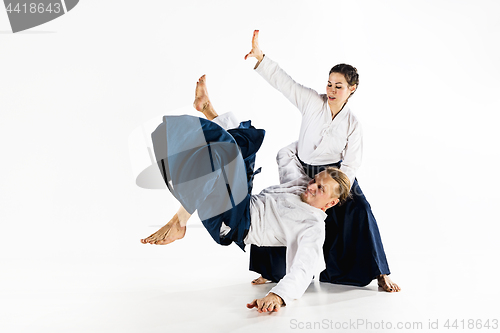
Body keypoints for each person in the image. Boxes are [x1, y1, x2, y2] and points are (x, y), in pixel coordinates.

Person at [140, 75, 352, 312]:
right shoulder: (299, 186)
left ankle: (179, 222)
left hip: (233, 222)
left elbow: (303, 269)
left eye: (320, 188)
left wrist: (278, 296)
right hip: (242, 196)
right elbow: (286, 155)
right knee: (249, 139)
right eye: (315, 180)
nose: (311, 186)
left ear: (331, 202)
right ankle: (207, 109)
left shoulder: (312, 226)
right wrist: (319, 146)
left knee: (225, 152)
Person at [244, 30, 400, 292]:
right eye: (329, 84)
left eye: (338, 86)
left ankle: (379, 272)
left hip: (335, 177)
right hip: (303, 169)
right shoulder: (311, 102)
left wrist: (339, 188)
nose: (331, 90)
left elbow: (351, 164)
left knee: (360, 210)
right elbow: (286, 83)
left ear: (352, 89)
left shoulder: (353, 124)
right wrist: (261, 58)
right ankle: (270, 272)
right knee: (285, 208)